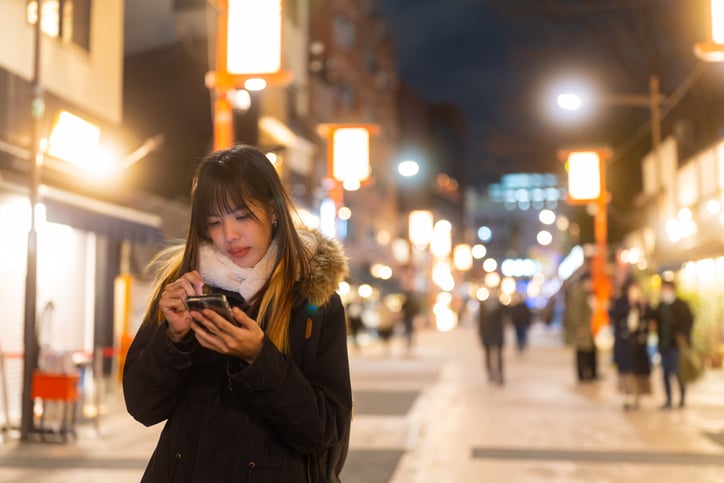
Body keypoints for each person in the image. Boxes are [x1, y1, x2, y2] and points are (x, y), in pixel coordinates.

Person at [122, 145, 352, 482]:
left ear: (274, 211)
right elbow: (142, 406)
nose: (229, 235)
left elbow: (324, 431)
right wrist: (172, 338)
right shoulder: (184, 288)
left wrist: (258, 358)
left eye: (242, 216)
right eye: (215, 222)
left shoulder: (313, 300)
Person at [610, 279, 652, 410]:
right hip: (624, 344)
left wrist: (642, 306)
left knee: (638, 371)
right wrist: (629, 306)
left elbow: (651, 317)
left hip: (639, 345)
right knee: (626, 371)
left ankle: (637, 395)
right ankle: (628, 396)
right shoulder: (620, 303)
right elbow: (613, 315)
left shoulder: (643, 304)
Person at [654, 280, 694, 409]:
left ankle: (682, 398)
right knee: (665, 373)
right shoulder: (660, 306)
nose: (663, 291)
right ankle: (668, 400)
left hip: (676, 345)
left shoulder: (681, 305)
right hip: (664, 344)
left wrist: (683, 334)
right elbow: (654, 320)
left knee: (678, 372)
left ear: (672, 289)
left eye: (666, 289)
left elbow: (689, 320)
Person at [564, 272, 598, 382]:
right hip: (583, 328)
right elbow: (575, 312)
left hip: (588, 328)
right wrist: (579, 326)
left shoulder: (587, 293)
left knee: (589, 351)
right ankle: (583, 375)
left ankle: (590, 373)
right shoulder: (579, 294)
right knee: (582, 352)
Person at [478, 293, 506, 385]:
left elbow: (480, 322)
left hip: (487, 333)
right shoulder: (500, 306)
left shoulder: (483, 307)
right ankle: (499, 374)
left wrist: (480, 334)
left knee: (488, 354)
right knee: (498, 355)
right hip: (497, 333)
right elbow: (504, 320)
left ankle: (491, 373)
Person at [401, 290, 420, 355]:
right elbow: (417, 310)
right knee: (410, 332)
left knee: (408, 331)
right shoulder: (412, 302)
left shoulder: (406, 302)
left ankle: (408, 344)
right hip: (410, 318)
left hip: (407, 319)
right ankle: (409, 343)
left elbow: (402, 310)